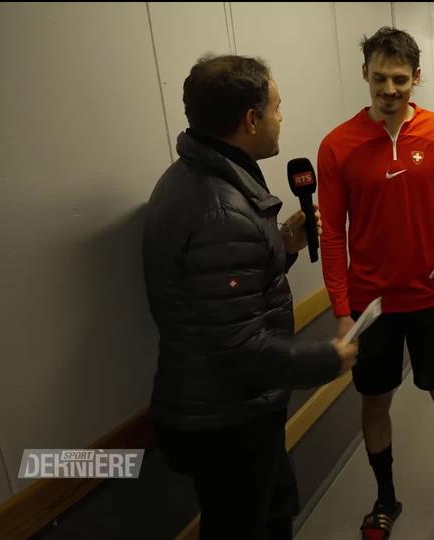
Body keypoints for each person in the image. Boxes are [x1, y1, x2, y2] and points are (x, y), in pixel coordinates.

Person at [142, 54, 358, 540]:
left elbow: (217, 291)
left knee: (273, 511)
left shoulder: (194, 180)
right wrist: (327, 359)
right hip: (226, 420)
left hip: (221, 406)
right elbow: (239, 346)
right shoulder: (222, 211)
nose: (282, 118)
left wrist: (281, 245)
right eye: (277, 108)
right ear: (251, 120)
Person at [317, 27, 434, 540]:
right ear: (365, 75)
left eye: (400, 79)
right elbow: (332, 233)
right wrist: (342, 310)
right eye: (379, 78)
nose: (389, 89)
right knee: (374, 403)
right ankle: (384, 499)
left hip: (433, 297)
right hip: (370, 306)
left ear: (416, 77)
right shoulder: (338, 146)